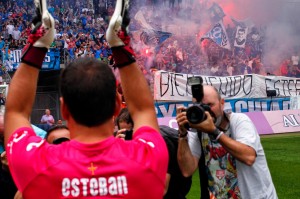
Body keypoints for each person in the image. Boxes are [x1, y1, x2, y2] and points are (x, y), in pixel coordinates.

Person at [4, 0, 168, 198]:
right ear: (117, 105)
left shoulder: (36, 164)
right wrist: (120, 45)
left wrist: (38, 45)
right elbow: (143, 110)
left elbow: (15, 112)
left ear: (63, 109)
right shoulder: (147, 159)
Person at [176, 85, 278, 199]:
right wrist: (183, 134)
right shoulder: (198, 131)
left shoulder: (239, 121)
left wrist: (215, 132)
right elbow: (187, 170)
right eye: (200, 106)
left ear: (222, 103)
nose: (206, 111)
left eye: (209, 105)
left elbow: (249, 157)